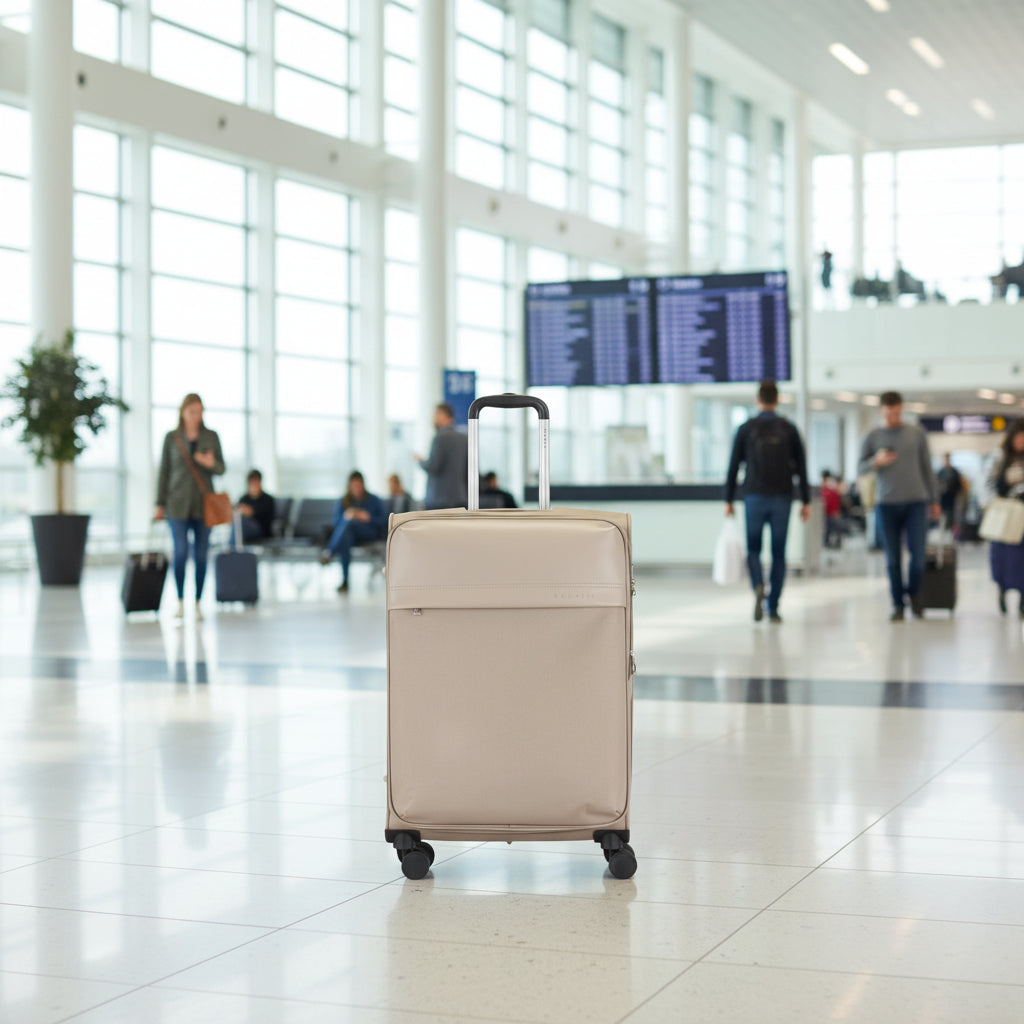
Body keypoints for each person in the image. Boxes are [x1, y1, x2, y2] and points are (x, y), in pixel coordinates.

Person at [724, 379, 811, 623]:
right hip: (782, 497)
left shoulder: (746, 428)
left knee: (753, 549)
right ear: (777, 400)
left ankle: (758, 587)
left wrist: (728, 499)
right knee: (779, 552)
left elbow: (733, 466)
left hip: (754, 496)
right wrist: (806, 500)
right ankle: (773, 607)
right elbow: (801, 467)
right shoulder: (788, 428)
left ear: (758, 400)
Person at [859, 391, 940, 622]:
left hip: (916, 501)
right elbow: (860, 469)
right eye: (888, 413)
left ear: (901, 409)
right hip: (887, 504)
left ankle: (914, 594)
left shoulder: (916, 434)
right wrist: (876, 462)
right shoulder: (872, 436)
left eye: (896, 412)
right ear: (881, 410)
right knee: (893, 559)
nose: (893, 417)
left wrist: (934, 500)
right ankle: (897, 604)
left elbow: (927, 468)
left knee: (918, 556)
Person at [155, 393, 225, 621]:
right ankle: (180, 602)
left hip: (204, 504)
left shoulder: (211, 436)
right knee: (181, 552)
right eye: (192, 412)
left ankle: (197, 603)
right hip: (176, 504)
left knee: (202, 554)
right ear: (183, 412)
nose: (197, 416)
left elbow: (222, 468)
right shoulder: (172, 438)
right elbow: (164, 472)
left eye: (200, 412)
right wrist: (159, 503)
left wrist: (210, 463)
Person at [319, 471, 387, 593]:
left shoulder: (374, 499)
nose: (356, 488)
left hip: (368, 533)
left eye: (358, 485)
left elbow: (384, 520)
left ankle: (329, 551)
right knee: (346, 536)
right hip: (349, 536)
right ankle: (345, 582)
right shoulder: (343, 501)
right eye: (354, 486)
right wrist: (346, 516)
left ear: (363, 485)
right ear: (349, 486)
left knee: (348, 527)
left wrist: (367, 517)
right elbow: (335, 523)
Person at [986, 418, 1024, 617]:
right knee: (1003, 558)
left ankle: (1022, 601)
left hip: (1023, 517)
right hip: (1004, 516)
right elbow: (988, 484)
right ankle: (1002, 592)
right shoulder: (1001, 457)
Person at [414, 402, 469, 510]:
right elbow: (469, 469)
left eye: (436, 415)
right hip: (459, 498)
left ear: (443, 415)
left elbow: (433, 466)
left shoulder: (440, 438)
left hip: (438, 499)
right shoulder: (464, 438)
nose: (434, 419)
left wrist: (420, 461)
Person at [235, 469, 275, 545]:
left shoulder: (267, 499)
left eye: (256, 481)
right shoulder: (243, 498)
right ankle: (234, 549)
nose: (254, 484)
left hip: (261, 530)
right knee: (238, 521)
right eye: (252, 482)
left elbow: (267, 518)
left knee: (241, 521)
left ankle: (233, 550)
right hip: (243, 529)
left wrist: (250, 512)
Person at [936, 453, 965, 532]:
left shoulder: (954, 472)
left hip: (953, 500)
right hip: (943, 500)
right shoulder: (940, 472)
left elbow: (959, 486)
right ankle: (942, 537)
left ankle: (953, 537)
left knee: (953, 519)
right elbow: (936, 486)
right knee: (943, 519)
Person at [821, 471, 843, 549]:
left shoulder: (832, 487)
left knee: (837, 529)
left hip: (834, 512)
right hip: (827, 512)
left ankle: (837, 543)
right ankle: (826, 543)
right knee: (827, 529)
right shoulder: (824, 489)